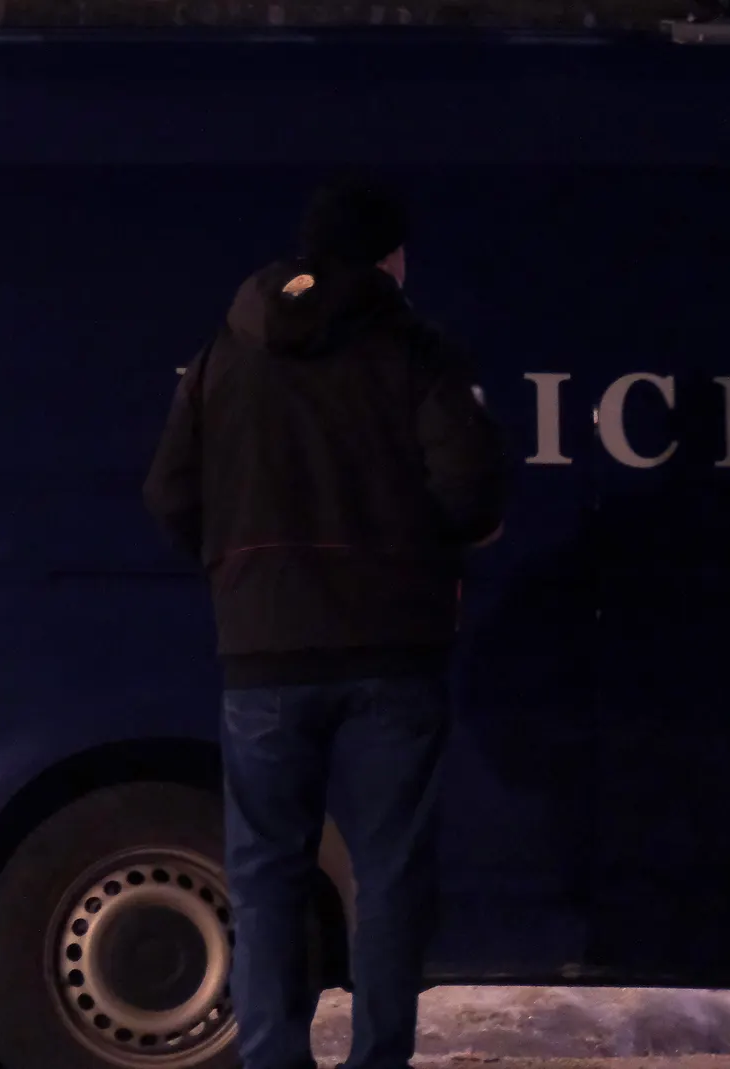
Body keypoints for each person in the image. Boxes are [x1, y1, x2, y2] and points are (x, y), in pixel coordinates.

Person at [143, 178, 506, 1069]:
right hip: (394, 647)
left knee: (266, 873)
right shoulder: (417, 352)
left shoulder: (227, 354)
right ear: (388, 257)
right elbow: (471, 488)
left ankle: (271, 1055)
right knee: (387, 874)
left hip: (264, 650)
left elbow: (168, 494)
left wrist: (239, 570)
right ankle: (379, 1057)